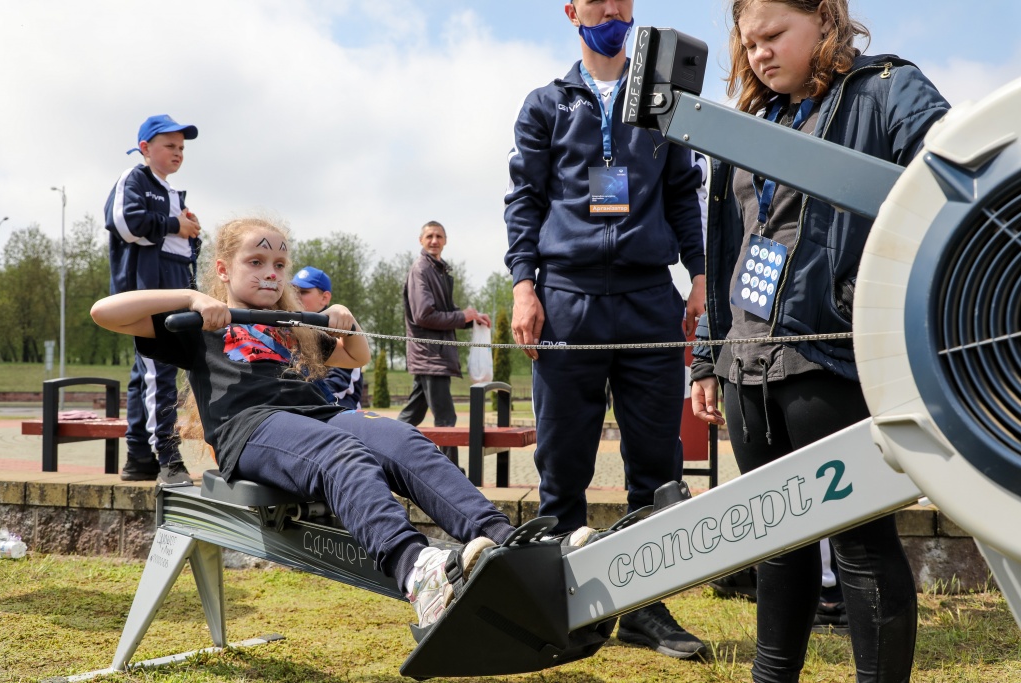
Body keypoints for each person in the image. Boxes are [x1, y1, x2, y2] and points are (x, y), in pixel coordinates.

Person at [690, 1, 949, 680]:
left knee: (862, 542)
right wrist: (707, 356)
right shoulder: (746, 126)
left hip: (835, 362)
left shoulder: (888, 90)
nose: (760, 54)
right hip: (747, 368)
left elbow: (958, 174)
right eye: (749, 44)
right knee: (777, 541)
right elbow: (726, 253)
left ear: (825, 20)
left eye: (774, 35)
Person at [89, 217, 515, 628]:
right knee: (341, 455)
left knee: (404, 438)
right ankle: (417, 572)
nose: (270, 274)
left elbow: (356, 356)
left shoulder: (290, 324)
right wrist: (190, 299)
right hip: (252, 428)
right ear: (223, 268)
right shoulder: (201, 323)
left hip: (320, 417)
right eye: (255, 263)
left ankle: (503, 539)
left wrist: (346, 317)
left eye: (279, 265)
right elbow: (105, 312)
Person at [504, 0, 708, 660]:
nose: (610, 9)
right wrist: (524, 285)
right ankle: (566, 607)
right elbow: (525, 199)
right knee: (563, 463)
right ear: (571, 10)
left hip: (651, 299)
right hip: (567, 300)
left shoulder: (662, 101)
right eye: (596, 0)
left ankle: (647, 607)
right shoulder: (546, 104)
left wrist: (700, 273)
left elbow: (683, 191)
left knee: (655, 464)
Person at [104, 114, 203, 486]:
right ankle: (168, 456)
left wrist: (191, 233)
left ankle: (140, 456)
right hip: (147, 288)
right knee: (157, 370)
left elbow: (183, 247)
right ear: (145, 148)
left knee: (148, 371)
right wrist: (175, 225)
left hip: (173, 283)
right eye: (169, 146)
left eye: (181, 147)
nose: (178, 153)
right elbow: (126, 223)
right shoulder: (135, 179)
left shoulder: (173, 192)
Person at [398, 221, 490, 462]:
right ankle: (453, 476)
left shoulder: (438, 270)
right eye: (429, 236)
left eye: (439, 236)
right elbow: (423, 315)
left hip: (434, 355)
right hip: (430, 356)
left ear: (445, 241)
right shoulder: (421, 269)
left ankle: (380, 452)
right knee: (446, 420)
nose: (434, 240)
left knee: (410, 417)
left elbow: (445, 312)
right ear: (421, 240)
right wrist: (462, 316)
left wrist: (473, 320)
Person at [292, 265, 365, 410]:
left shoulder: (341, 329)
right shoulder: (291, 328)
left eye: (303, 292)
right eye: (293, 291)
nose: (295, 296)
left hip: (339, 409)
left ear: (325, 298)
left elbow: (338, 384)